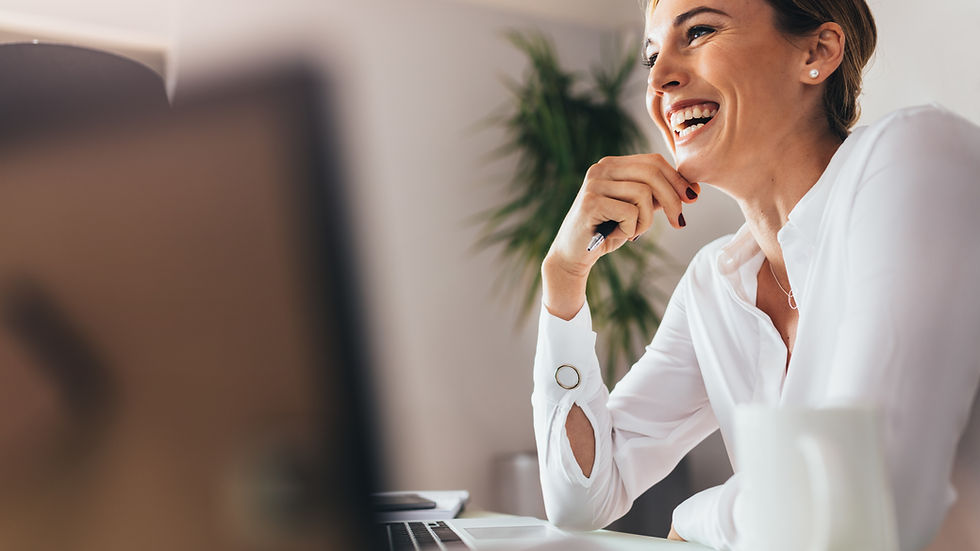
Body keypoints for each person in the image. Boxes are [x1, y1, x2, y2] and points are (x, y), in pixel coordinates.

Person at [531, 0, 980, 549]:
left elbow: (869, 495)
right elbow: (581, 499)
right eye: (652, 57)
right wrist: (564, 277)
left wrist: (694, 516)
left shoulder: (916, 155)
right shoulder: (713, 286)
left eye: (698, 31)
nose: (661, 81)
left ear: (817, 52)